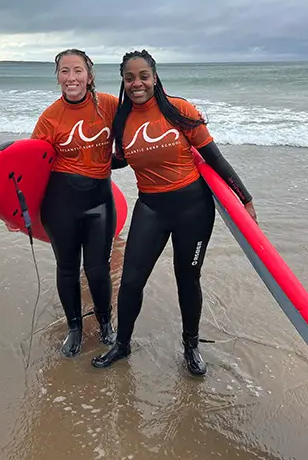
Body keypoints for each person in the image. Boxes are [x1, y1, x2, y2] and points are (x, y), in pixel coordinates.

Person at [91, 49, 256, 376]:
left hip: (193, 209)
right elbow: (125, 157)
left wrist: (245, 199)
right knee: (132, 280)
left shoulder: (179, 110)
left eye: (143, 76)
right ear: (123, 82)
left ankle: (191, 345)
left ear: (154, 77)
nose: (137, 83)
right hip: (151, 207)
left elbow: (214, 157)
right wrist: (86, 166)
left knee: (188, 278)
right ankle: (122, 345)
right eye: (129, 78)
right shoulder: (121, 119)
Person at [30, 49, 122, 357]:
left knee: (98, 269)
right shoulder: (49, 118)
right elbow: (31, 169)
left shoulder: (109, 105)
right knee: (67, 269)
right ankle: (74, 328)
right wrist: (19, 215)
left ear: (90, 75)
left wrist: (187, 119)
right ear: (57, 77)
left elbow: (142, 124)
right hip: (60, 205)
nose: (71, 77)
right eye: (64, 71)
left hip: (100, 201)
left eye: (78, 71)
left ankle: (106, 323)